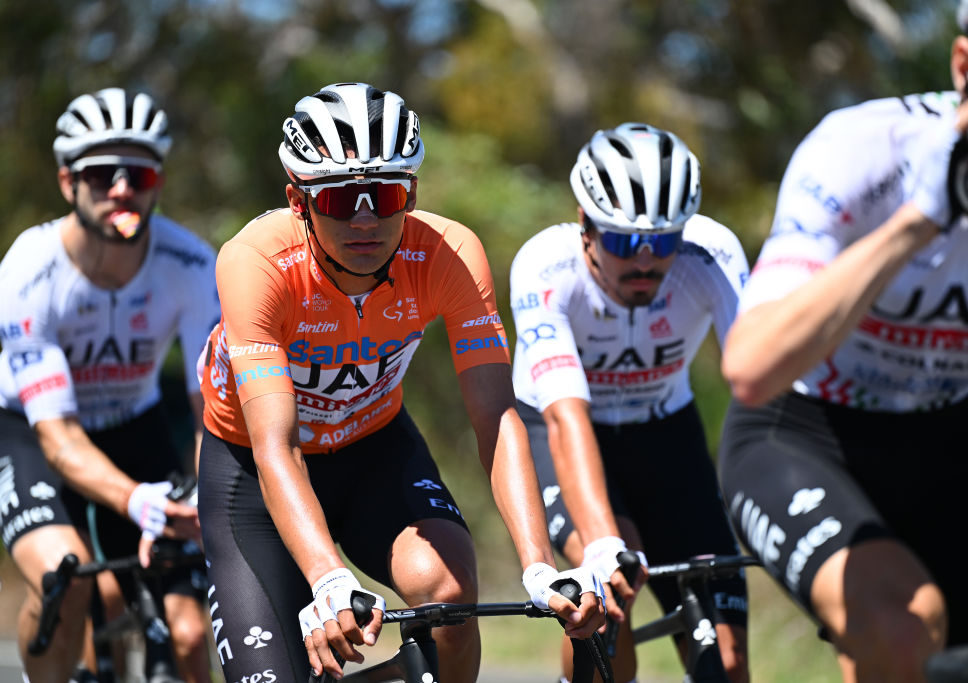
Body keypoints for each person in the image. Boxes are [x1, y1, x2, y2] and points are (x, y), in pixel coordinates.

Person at [195, 81, 604, 683]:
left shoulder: (450, 253)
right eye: (340, 200)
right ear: (298, 199)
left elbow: (496, 415)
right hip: (255, 471)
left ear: (410, 193)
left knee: (450, 598)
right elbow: (274, 446)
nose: (367, 219)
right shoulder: (254, 261)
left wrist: (539, 567)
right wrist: (330, 579)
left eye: (386, 195)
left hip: (373, 448)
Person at [718, 2, 968, 681]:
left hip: (952, 436)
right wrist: (921, 219)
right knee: (898, 628)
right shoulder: (864, 149)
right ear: (967, 69)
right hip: (802, 429)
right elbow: (751, 365)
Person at [510, 122, 751, 683]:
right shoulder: (545, 267)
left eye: (663, 242)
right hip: (560, 431)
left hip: (666, 432)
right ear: (585, 225)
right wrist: (603, 543)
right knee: (607, 600)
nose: (645, 262)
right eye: (623, 242)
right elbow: (566, 415)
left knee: (728, 661)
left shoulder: (710, 253)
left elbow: (763, 378)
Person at [0, 87, 219, 683]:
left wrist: (200, 492)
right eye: (101, 174)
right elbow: (60, 438)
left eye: (139, 173)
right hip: (31, 432)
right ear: (68, 182)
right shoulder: (28, 269)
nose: (121, 188)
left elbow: (212, 410)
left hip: (134, 422)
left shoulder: (194, 264)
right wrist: (135, 500)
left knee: (190, 634)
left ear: (159, 183)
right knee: (62, 581)